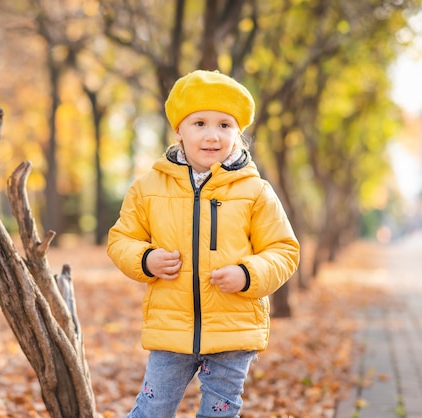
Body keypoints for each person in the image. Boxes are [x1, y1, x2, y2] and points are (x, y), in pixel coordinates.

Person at [106, 70, 300, 418]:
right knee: (152, 409)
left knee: (219, 413)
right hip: (172, 329)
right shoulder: (148, 187)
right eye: (200, 123)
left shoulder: (254, 191)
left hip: (233, 330)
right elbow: (122, 239)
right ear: (179, 130)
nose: (213, 135)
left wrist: (248, 273)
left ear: (237, 133)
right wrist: (146, 259)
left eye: (225, 125)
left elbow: (284, 249)